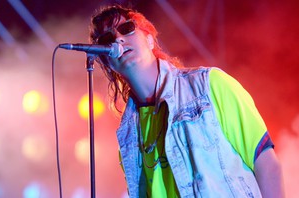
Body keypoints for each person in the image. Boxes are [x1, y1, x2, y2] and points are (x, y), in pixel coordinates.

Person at [89, 5, 285, 198]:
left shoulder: (209, 85)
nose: (118, 38)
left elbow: (267, 165)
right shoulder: (128, 134)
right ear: (108, 62)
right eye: (107, 39)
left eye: (126, 28)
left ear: (149, 40)